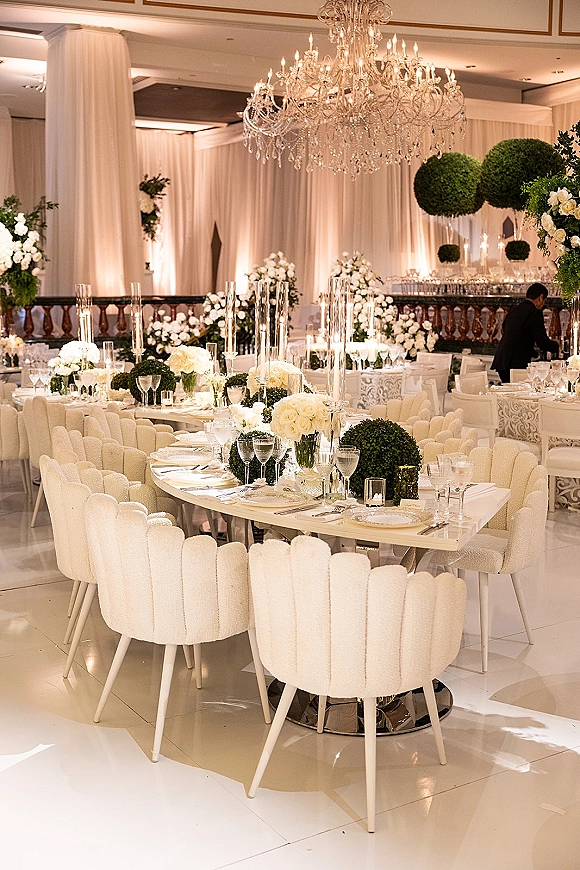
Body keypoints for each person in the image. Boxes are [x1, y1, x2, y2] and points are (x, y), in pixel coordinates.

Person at [492, 283, 559, 383]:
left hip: (502, 360)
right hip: (516, 363)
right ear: (541, 297)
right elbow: (542, 342)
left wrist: (532, 352)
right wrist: (557, 346)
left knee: (510, 392)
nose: (543, 304)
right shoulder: (534, 312)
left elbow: (509, 331)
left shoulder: (514, 310)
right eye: (544, 300)